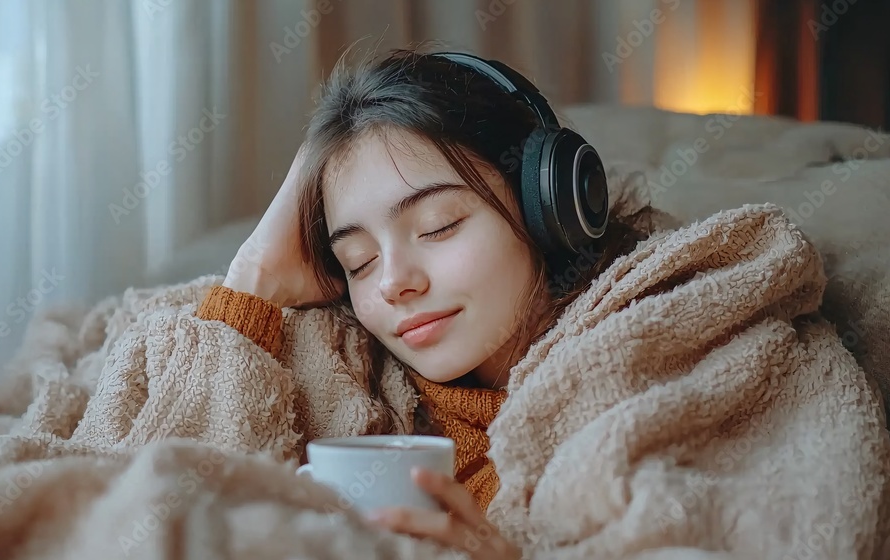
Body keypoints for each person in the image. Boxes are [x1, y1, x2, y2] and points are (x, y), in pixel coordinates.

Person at [201, 47, 652, 558]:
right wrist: (252, 275)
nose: (393, 283)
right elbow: (178, 501)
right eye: (359, 261)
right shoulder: (361, 387)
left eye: (438, 227)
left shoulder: (654, 361)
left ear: (547, 207)